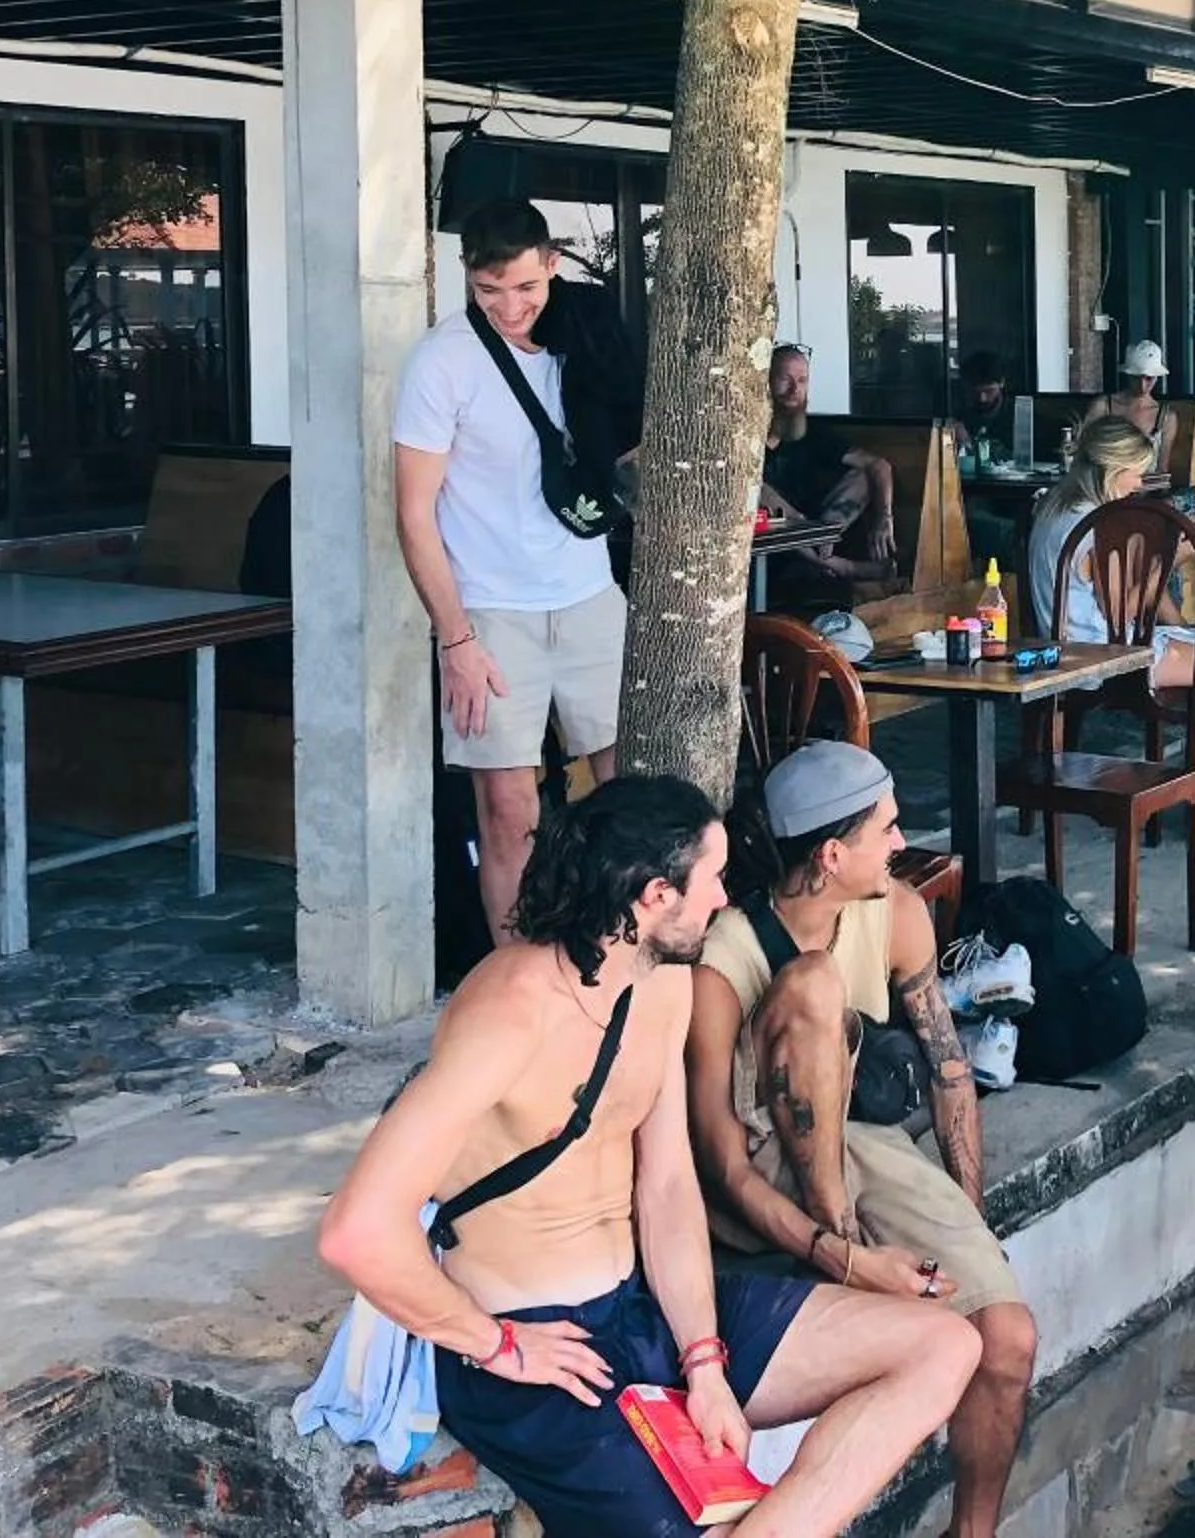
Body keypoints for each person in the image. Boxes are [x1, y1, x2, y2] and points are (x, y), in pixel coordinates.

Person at [313, 777, 980, 1536]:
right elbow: (356, 1229)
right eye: (714, 880)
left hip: (643, 1312)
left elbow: (665, 1188)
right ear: (656, 896)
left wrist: (704, 1362)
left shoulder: (660, 989)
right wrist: (493, 1343)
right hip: (538, 1350)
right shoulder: (509, 1009)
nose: (726, 902)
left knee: (941, 1345)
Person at [686, 743, 1035, 1538]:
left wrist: (966, 1221)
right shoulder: (726, 957)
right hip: (766, 1167)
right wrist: (838, 1254)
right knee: (812, 983)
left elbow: (950, 1070)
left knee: (1008, 1339)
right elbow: (721, 1163)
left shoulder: (896, 912)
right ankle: (844, 1238)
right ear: (832, 854)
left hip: (867, 1142)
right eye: (887, 827)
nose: (902, 840)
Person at [394, 201, 633, 940]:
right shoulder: (442, 360)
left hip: (590, 594)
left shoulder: (585, 336)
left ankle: (620, 955)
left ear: (552, 264)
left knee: (625, 794)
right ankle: (517, 984)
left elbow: (626, 443)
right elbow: (413, 511)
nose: (511, 307)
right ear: (468, 275)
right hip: (492, 613)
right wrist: (456, 641)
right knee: (507, 813)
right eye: (491, 290)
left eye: (526, 287)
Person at [1028, 415, 1195, 828]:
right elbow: (1125, 613)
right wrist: (1173, 560)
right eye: (1137, 474)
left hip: (1058, 646)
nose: (1140, 483)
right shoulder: (1095, 526)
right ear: (1114, 470)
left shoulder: (1052, 505)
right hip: (1097, 657)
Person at [759, 345, 900, 597]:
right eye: (785, 380)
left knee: (864, 476)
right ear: (766, 381)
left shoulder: (813, 434)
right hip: (769, 536)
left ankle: (822, 549)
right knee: (757, 490)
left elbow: (878, 465)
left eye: (802, 381)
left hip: (815, 533)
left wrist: (883, 518)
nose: (795, 390)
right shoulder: (746, 440)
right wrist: (797, 521)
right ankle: (840, 566)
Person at [1081, 340, 1183, 483]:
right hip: (1103, 487)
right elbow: (1083, 452)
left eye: (1149, 378)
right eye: (1136, 378)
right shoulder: (1103, 406)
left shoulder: (1166, 417)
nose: (1142, 386)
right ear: (1128, 375)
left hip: (1144, 492)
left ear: (1157, 378)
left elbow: (1162, 469)